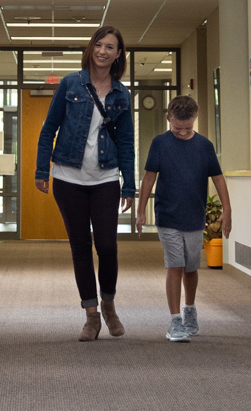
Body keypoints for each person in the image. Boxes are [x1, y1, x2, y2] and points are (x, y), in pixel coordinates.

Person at [34, 25, 135, 340]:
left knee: (107, 246)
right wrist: (41, 170)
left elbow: (127, 144)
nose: (103, 51)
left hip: (105, 176)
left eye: (110, 47)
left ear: (119, 54)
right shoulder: (70, 84)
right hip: (68, 176)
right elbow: (49, 128)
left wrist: (129, 185)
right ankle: (91, 316)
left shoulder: (121, 94)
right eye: (99, 45)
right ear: (91, 48)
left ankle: (109, 304)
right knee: (80, 246)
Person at [133, 94, 230, 342]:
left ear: (194, 121)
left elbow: (218, 178)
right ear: (168, 119)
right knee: (174, 265)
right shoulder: (160, 143)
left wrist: (227, 210)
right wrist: (141, 210)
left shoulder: (205, 146)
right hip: (168, 216)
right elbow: (148, 178)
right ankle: (175, 321)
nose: (184, 132)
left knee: (191, 267)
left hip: (194, 217)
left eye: (188, 128)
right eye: (178, 128)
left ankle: (190, 311)